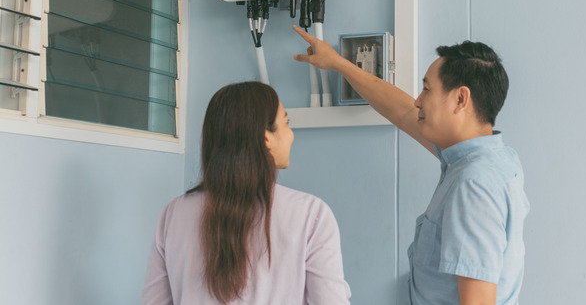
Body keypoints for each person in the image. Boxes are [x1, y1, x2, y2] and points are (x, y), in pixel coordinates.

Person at [293, 25, 529, 305]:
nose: (418, 100)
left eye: (427, 89)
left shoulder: (473, 184)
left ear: (460, 99)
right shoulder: (492, 159)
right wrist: (338, 63)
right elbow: (403, 110)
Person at [142, 81, 351, 305]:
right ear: (266, 139)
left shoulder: (173, 214)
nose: (291, 135)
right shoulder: (312, 215)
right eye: (286, 123)